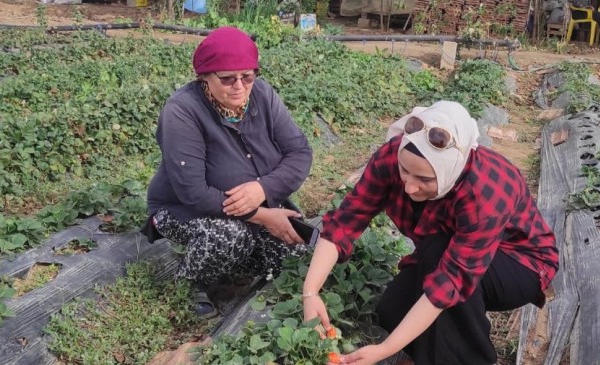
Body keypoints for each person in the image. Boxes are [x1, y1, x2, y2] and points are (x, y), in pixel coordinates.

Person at [302, 101, 559, 365]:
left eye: (424, 180)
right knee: (393, 310)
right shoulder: (394, 156)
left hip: (520, 263)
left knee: (440, 262)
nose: (409, 187)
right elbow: (345, 221)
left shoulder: (483, 191)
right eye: (405, 171)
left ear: (451, 170)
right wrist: (310, 292)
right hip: (444, 252)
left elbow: (451, 278)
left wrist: (385, 349)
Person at [141, 26, 313, 318]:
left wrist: (263, 190)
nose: (239, 86)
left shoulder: (263, 94)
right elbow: (194, 193)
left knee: (297, 254)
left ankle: (236, 264)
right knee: (231, 235)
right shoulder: (182, 111)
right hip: (184, 209)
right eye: (227, 78)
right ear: (204, 77)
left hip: (258, 202)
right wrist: (263, 216)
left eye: (247, 76)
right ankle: (191, 282)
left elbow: (300, 152)